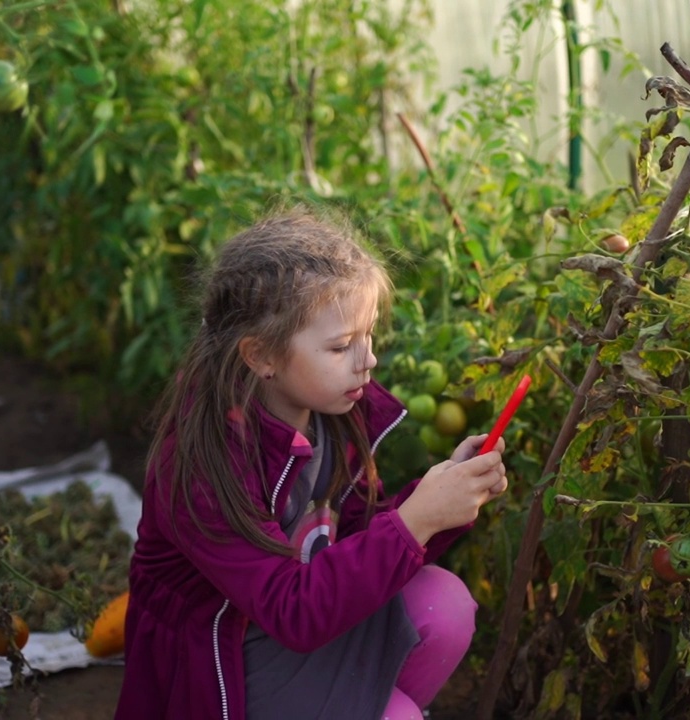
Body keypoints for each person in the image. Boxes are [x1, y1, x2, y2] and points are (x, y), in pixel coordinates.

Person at [115, 207, 509, 720]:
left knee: (445, 606)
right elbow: (291, 609)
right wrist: (419, 520)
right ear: (261, 357)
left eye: (368, 335)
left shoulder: (333, 412)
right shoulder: (200, 464)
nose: (367, 359)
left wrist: (439, 501)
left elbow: (356, 541)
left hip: (295, 629)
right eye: (342, 345)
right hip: (222, 670)